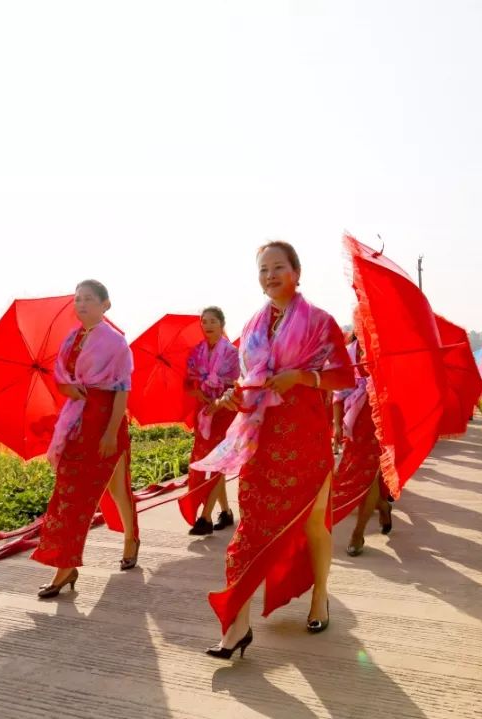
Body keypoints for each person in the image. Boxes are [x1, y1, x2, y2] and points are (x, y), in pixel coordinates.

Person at [193, 242, 354, 659]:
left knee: (316, 523)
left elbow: (342, 377)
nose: (270, 275)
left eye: (278, 267)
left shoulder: (320, 322)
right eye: (263, 269)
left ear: (297, 272)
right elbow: (249, 381)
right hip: (260, 440)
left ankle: (320, 597)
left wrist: (302, 377)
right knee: (249, 531)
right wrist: (234, 396)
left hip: (305, 438)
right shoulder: (250, 327)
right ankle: (236, 626)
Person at [32, 280, 140, 597]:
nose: (81, 304)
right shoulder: (71, 339)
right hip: (76, 421)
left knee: (116, 491)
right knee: (69, 495)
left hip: (105, 423)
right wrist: (67, 388)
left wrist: (110, 433)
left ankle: (130, 538)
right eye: (77, 299)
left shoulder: (116, 342)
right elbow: (63, 380)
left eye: (89, 299)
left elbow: (122, 390)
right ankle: (66, 566)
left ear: (106, 304)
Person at [178, 306, 240, 536]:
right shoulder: (196, 352)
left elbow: (236, 384)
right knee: (205, 461)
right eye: (204, 322)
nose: (208, 325)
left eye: (213, 321)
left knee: (219, 462)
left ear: (222, 324)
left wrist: (219, 401)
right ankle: (225, 511)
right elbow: (188, 383)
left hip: (223, 411)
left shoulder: (232, 353)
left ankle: (205, 517)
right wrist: (198, 394)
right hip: (204, 412)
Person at [331, 331, 392, 557]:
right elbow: (339, 393)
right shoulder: (349, 353)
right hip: (355, 427)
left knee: (369, 479)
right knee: (351, 476)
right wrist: (337, 425)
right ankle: (383, 506)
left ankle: (358, 533)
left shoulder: (387, 352)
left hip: (381, 425)